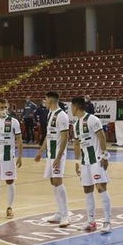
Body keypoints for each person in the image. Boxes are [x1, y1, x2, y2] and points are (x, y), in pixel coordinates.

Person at [71, 95, 113, 233]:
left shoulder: (93, 119)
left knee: (101, 188)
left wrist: (105, 155)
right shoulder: (76, 124)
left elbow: (101, 137)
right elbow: (76, 144)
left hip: (97, 159)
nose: (71, 110)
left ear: (75, 107)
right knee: (87, 189)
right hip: (85, 162)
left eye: (72, 107)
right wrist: (77, 161)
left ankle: (107, 222)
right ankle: (91, 222)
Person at [34, 91, 72, 226]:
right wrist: (40, 151)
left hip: (58, 154)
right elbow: (48, 135)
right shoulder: (50, 114)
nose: (44, 101)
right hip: (50, 154)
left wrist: (59, 157)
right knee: (53, 181)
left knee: (58, 181)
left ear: (50, 100)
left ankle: (65, 215)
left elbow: (65, 137)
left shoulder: (62, 116)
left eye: (45, 99)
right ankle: (59, 212)